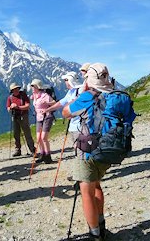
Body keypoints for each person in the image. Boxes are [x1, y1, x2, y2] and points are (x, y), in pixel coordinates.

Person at [62, 63, 114, 241]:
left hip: (88, 150)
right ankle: (102, 226)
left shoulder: (88, 96)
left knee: (86, 191)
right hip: (109, 150)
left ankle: (95, 235)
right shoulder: (116, 94)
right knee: (97, 185)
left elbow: (66, 112)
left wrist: (82, 92)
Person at [41, 71, 82, 144]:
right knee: (76, 147)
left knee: (80, 148)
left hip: (79, 126)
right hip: (72, 125)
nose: (65, 82)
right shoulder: (70, 92)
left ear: (70, 80)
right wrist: (48, 109)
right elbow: (61, 103)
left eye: (66, 80)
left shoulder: (80, 91)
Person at [6, 83, 36, 156]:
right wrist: (11, 108)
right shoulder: (10, 98)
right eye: (14, 89)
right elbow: (8, 108)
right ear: (12, 91)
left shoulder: (23, 95)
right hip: (15, 116)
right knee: (16, 134)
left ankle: (32, 149)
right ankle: (17, 149)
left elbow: (27, 106)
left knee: (27, 133)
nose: (16, 90)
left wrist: (17, 107)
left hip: (23, 116)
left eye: (17, 89)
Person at [30, 79, 55, 164]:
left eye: (33, 86)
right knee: (38, 138)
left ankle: (48, 156)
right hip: (39, 117)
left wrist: (47, 109)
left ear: (38, 87)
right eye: (32, 86)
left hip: (47, 116)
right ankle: (42, 154)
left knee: (44, 137)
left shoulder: (45, 95)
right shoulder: (35, 95)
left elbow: (54, 103)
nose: (32, 87)